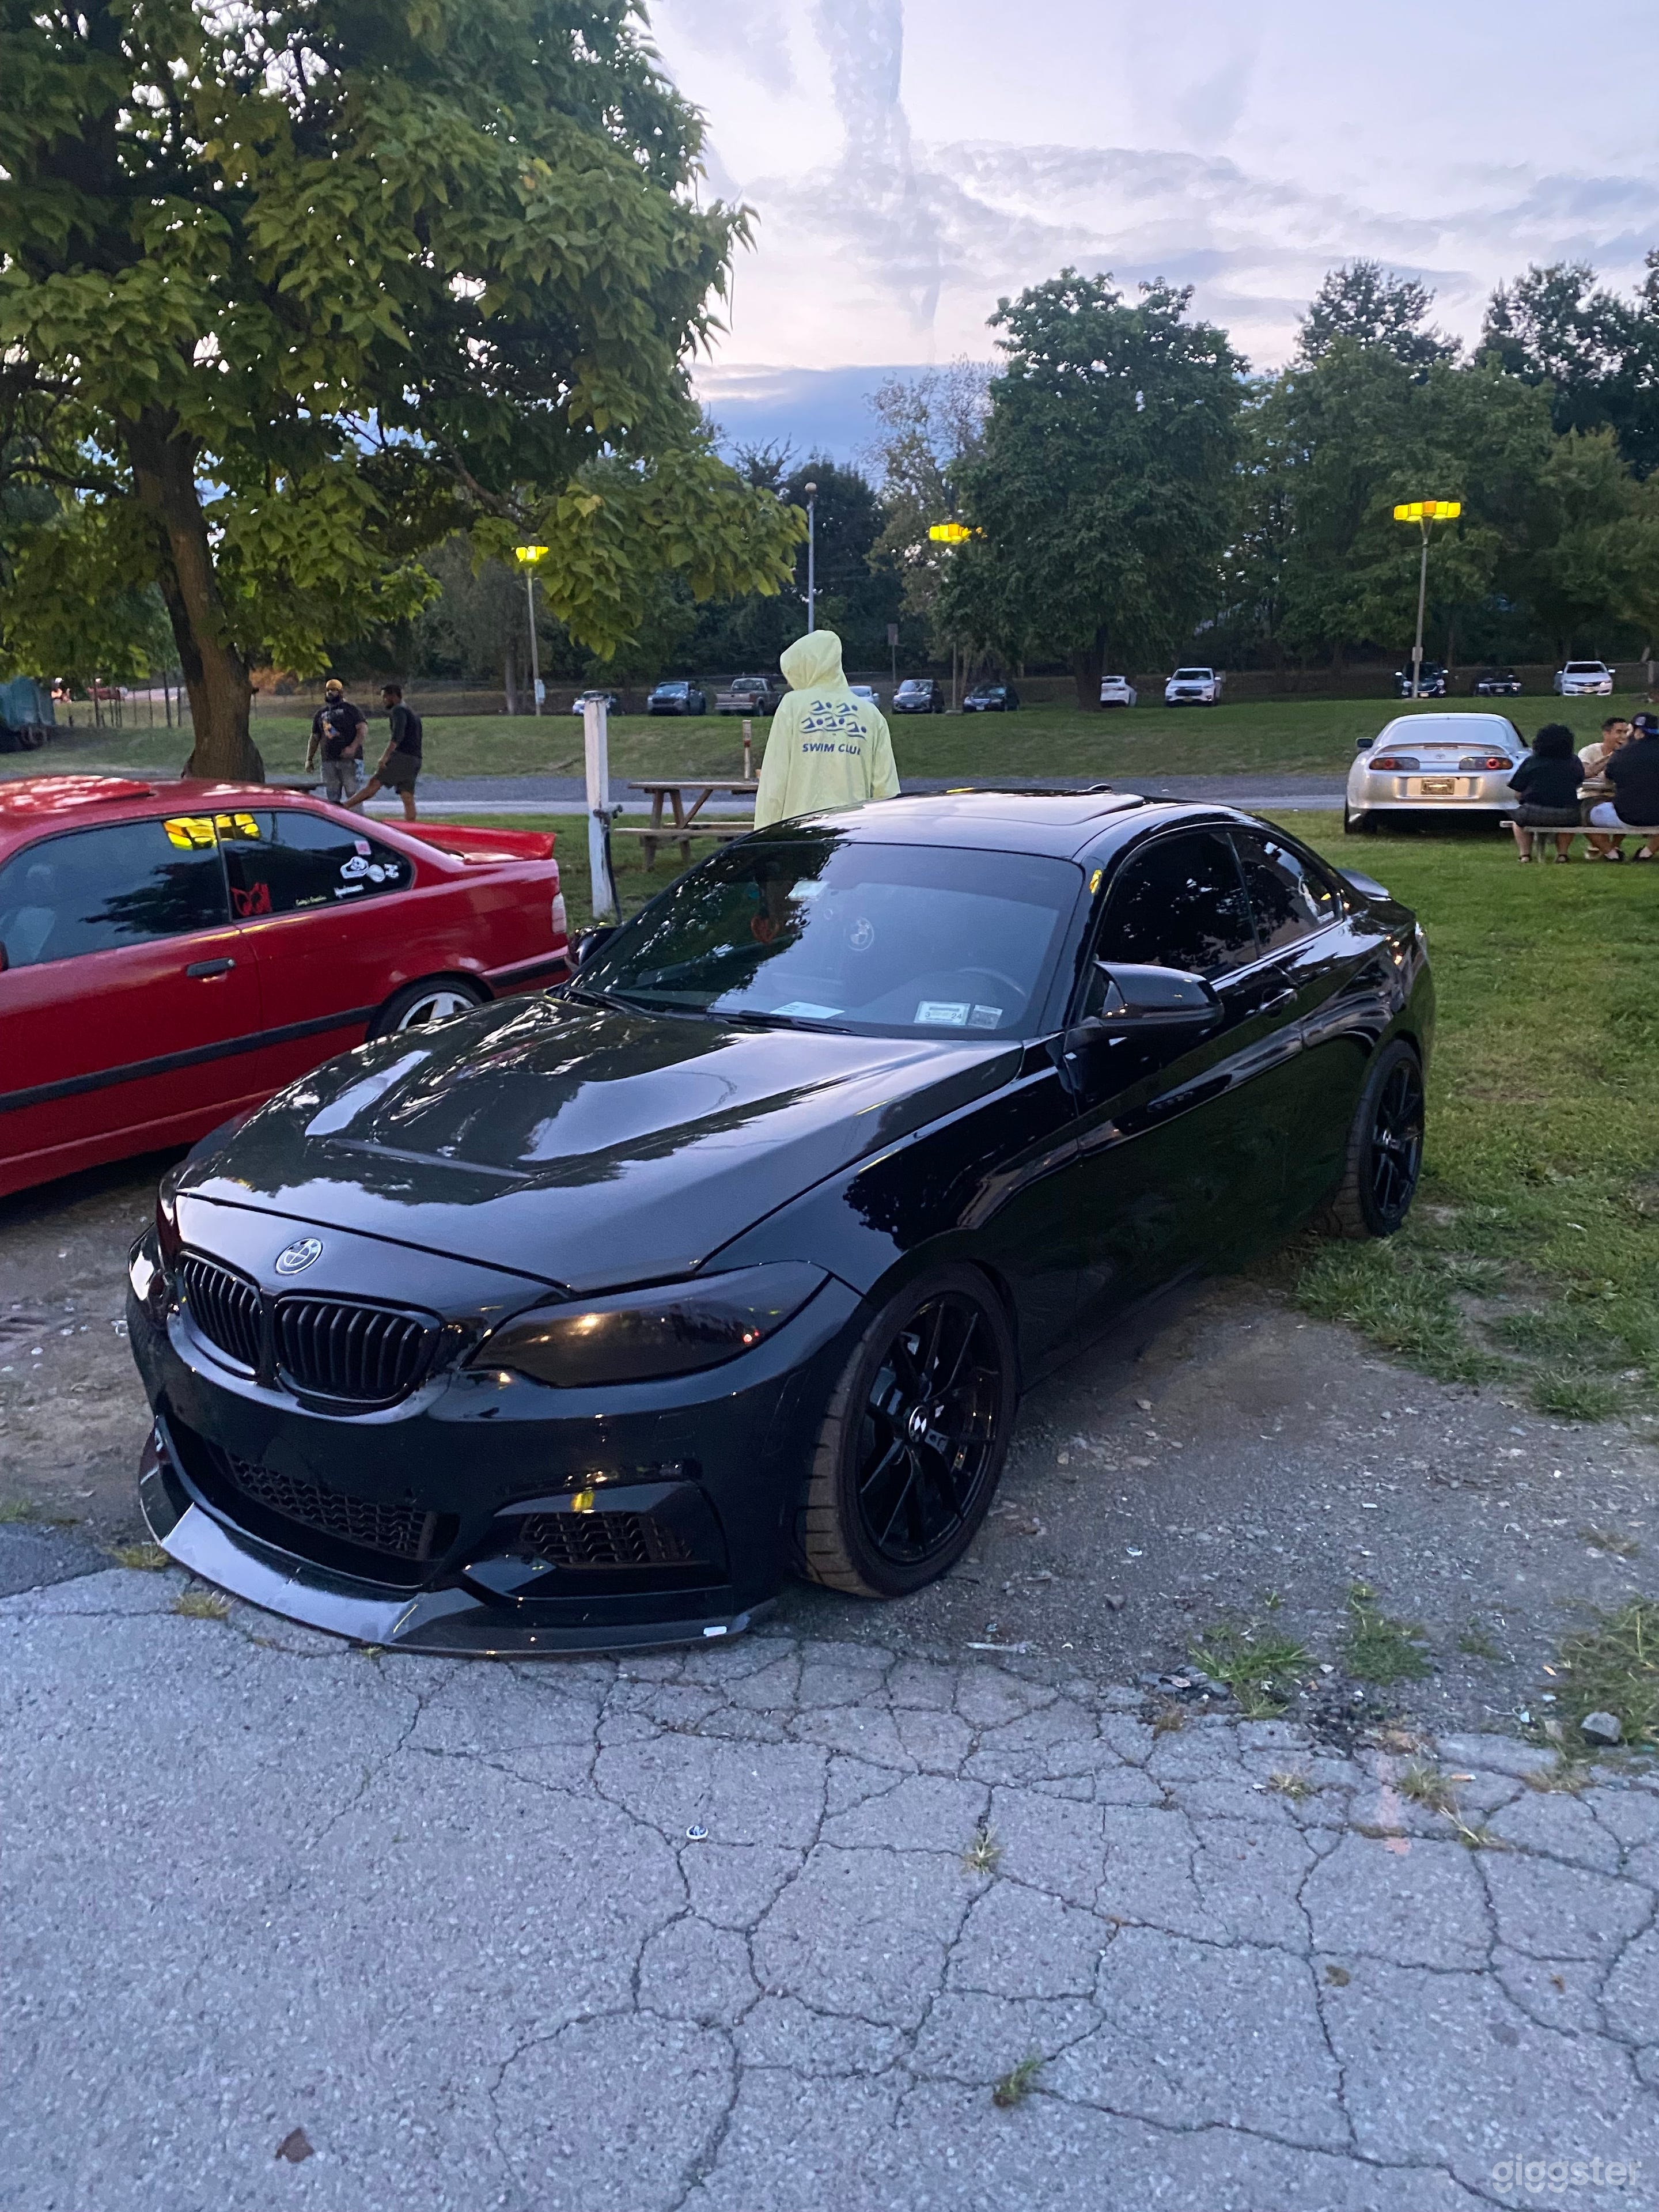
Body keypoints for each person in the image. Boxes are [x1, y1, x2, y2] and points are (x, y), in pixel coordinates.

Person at [753, 629, 900, 830]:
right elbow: (887, 792)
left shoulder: (792, 706)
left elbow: (773, 784)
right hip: (854, 836)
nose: (790, 681)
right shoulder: (872, 715)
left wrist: (762, 838)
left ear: (806, 666)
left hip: (799, 834)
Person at [1586, 709, 1659, 861]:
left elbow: (1607, 779)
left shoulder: (1622, 754)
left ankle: (1611, 854)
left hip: (1626, 816)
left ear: (1639, 732)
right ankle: (1646, 853)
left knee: (1587, 812)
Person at [1506, 724, 1586, 862]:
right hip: (1567, 814)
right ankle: (1562, 854)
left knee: (1518, 821)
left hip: (1533, 813)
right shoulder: (1573, 762)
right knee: (1571, 822)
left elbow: (1518, 791)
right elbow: (1579, 781)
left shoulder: (1531, 762)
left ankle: (1525, 855)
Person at [343, 683, 423, 820]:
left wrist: (385, 757)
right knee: (407, 795)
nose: (383, 700)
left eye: (385, 697)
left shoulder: (399, 711)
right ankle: (412, 827)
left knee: (374, 784)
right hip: (415, 758)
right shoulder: (411, 712)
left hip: (402, 757)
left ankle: (343, 808)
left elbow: (398, 736)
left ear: (394, 696)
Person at [305, 677, 367, 803]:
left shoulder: (350, 709)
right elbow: (315, 737)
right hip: (328, 761)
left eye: (333, 690)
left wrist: (353, 748)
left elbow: (363, 729)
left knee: (354, 797)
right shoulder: (321, 714)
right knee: (332, 799)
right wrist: (309, 759)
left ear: (340, 692)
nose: (330, 693)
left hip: (350, 761)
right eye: (328, 690)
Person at [1580, 717, 1631, 858]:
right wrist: (1613, 756)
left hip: (1616, 795)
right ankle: (1608, 850)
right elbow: (1585, 773)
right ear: (1606, 734)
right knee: (1585, 814)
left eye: (1626, 732)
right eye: (1619, 732)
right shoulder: (1589, 751)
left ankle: (1612, 849)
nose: (1623, 737)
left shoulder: (1630, 754)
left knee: (1628, 808)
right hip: (1591, 795)